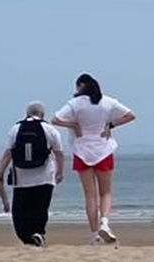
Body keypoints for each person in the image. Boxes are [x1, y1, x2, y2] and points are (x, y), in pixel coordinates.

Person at [52, 74, 135, 245]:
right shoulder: (107, 101)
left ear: (81, 86)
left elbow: (55, 119)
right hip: (103, 148)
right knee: (106, 192)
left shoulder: (75, 104)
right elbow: (130, 115)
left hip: (82, 149)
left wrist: (74, 125)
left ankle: (94, 233)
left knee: (90, 196)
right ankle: (105, 222)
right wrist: (110, 125)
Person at [0, 101, 64, 247]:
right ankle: (38, 234)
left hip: (21, 179)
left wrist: (0, 171)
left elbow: (8, 153)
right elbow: (59, 153)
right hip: (45, 177)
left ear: (26, 114)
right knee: (40, 209)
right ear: (42, 114)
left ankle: (27, 238)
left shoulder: (16, 128)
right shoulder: (49, 129)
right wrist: (60, 172)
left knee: (20, 212)